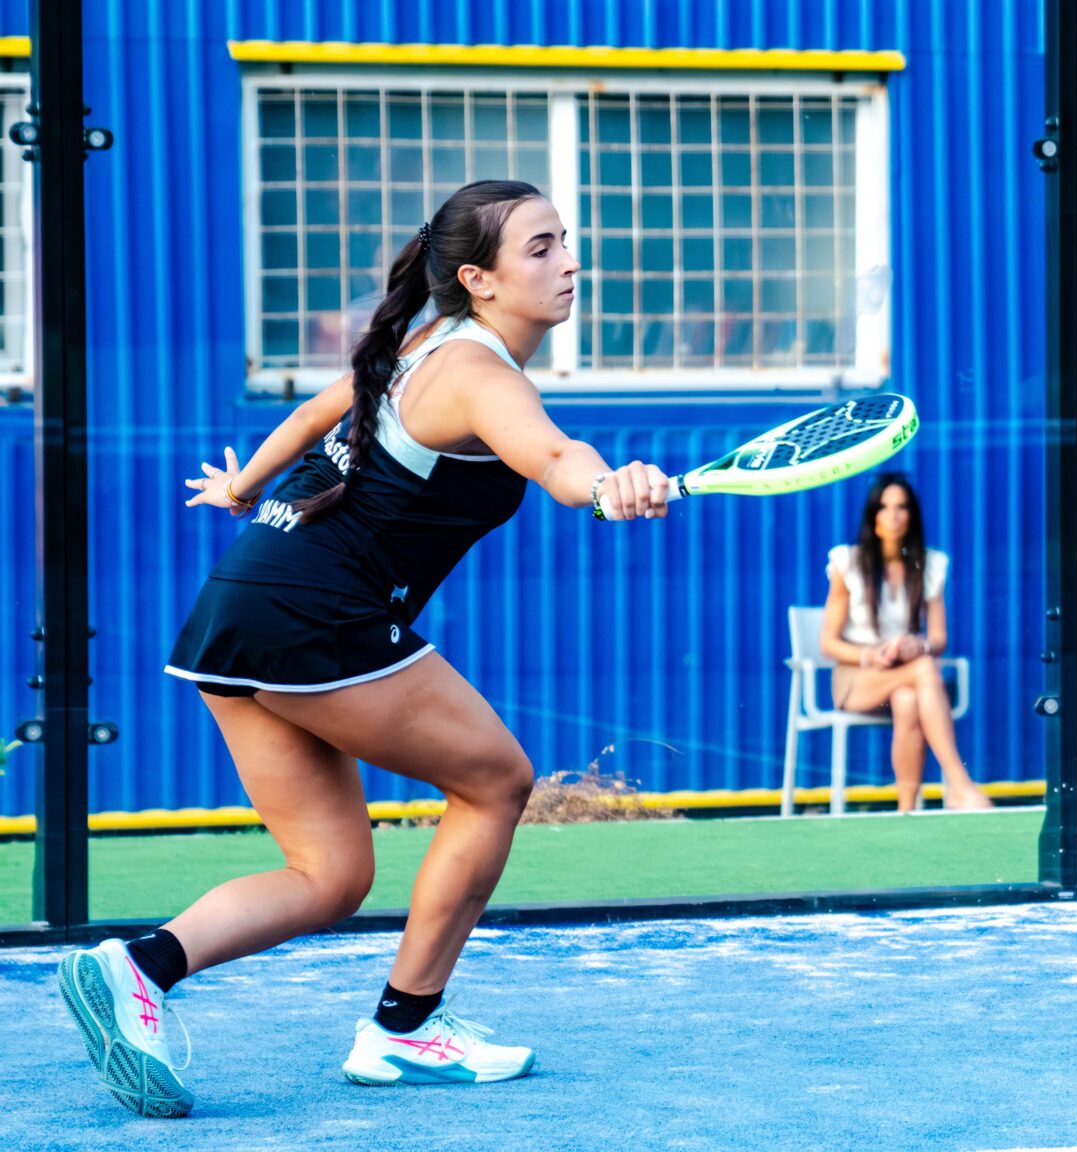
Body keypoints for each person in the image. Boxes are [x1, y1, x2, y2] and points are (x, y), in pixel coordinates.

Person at [57, 180, 679, 1116]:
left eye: (564, 241)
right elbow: (555, 458)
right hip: (318, 612)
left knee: (332, 876)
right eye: (542, 247)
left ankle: (136, 968)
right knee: (497, 781)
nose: (570, 262)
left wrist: (244, 487)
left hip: (240, 604)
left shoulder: (421, 342)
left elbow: (317, 416)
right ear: (479, 278)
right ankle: (405, 1028)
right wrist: (606, 486)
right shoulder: (478, 373)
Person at [819, 472, 992, 813]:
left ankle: (906, 809)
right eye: (884, 508)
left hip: (906, 675)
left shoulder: (929, 565)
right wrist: (871, 654)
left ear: (912, 515)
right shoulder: (848, 563)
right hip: (857, 679)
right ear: (873, 516)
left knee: (908, 698)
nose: (893, 516)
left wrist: (917, 646)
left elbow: (938, 639)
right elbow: (828, 643)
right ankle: (959, 784)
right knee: (924, 670)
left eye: (901, 507)